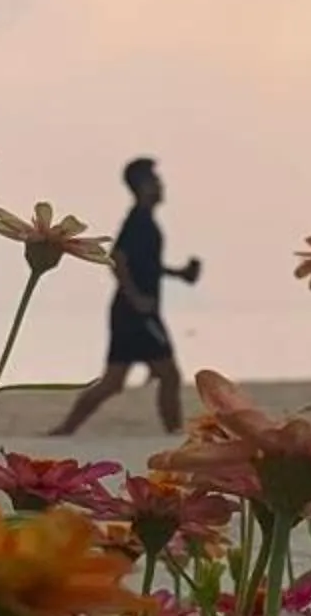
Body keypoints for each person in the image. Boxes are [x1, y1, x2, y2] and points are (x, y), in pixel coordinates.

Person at [51, 157, 202, 435]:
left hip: (132, 311)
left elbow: (144, 265)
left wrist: (179, 274)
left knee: (114, 380)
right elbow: (117, 259)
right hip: (136, 313)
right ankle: (175, 432)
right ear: (143, 186)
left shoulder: (145, 221)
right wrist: (137, 299)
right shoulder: (138, 220)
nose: (161, 186)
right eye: (155, 182)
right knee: (168, 374)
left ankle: (66, 428)